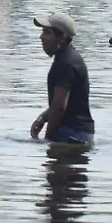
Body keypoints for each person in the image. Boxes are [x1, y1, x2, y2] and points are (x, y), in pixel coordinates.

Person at [31, 12, 95, 145]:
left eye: (47, 33)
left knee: (54, 164)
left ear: (62, 37)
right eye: (43, 32)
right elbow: (63, 103)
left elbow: (59, 106)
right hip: (78, 133)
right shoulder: (65, 58)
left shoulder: (66, 63)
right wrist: (42, 118)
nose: (41, 37)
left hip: (72, 134)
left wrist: (48, 141)